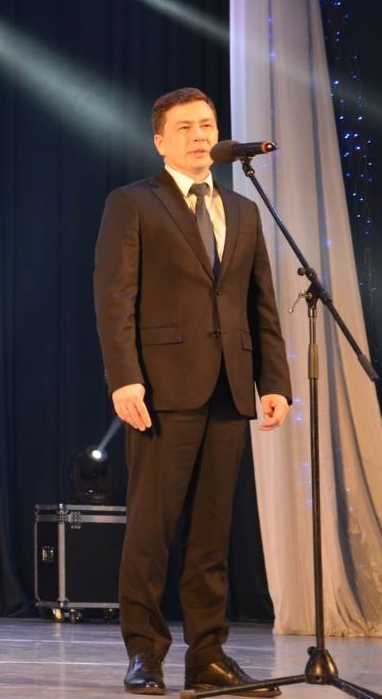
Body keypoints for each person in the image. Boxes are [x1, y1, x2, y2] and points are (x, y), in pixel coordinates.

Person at [93, 88, 291, 696]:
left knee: (211, 536)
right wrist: (124, 376)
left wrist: (274, 381)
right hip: (162, 389)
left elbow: (261, 302)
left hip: (230, 388)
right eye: (185, 127)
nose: (201, 135)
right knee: (151, 530)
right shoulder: (133, 202)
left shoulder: (245, 210)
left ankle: (208, 656)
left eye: (207, 124)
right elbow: (114, 298)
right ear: (160, 140)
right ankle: (144, 653)